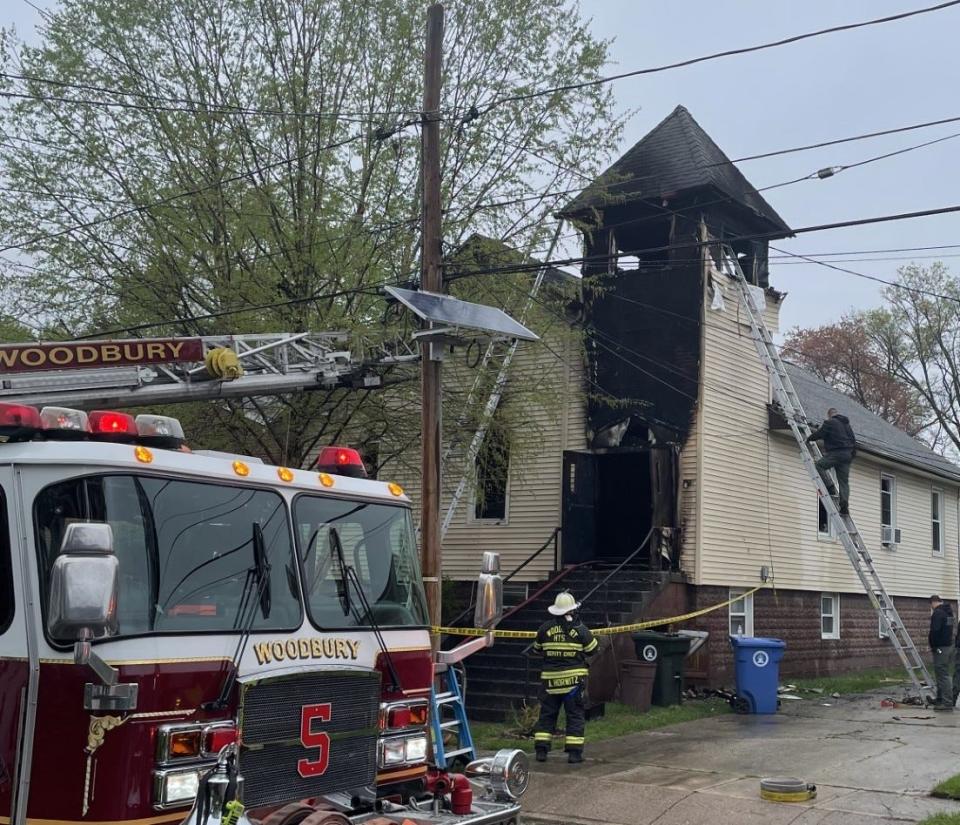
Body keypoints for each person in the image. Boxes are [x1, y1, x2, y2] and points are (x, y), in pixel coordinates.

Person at [531, 591, 598, 764]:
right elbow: (593, 649)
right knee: (575, 716)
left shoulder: (544, 629)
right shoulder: (580, 629)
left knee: (547, 715)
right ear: (572, 610)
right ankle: (574, 754)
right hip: (573, 684)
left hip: (550, 683)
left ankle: (541, 751)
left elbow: (536, 649)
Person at [806, 407, 857, 515]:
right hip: (847, 456)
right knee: (844, 482)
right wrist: (851, 455)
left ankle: (830, 486)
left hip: (836, 453)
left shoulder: (829, 423)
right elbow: (853, 440)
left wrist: (809, 438)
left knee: (819, 465)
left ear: (829, 415)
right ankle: (844, 506)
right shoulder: (847, 425)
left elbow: (820, 433)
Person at [928, 594, 955, 710]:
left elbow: (935, 631)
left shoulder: (938, 613)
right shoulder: (948, 612)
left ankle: (947, 703)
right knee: (940, 674)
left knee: (943, 674)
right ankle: (940, 699)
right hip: (948, 646)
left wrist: (933, 645)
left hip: (940, 647)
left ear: (933, 603)